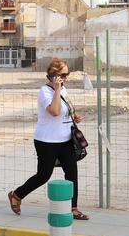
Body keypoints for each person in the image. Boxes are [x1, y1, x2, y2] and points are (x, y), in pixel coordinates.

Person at [8, 58, 89, 220]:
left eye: (68, 74)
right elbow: (54, 111)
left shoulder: (64, 90)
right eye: (64, 75)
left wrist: (74, 115)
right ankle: (16, 195)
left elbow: (66, 109)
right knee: (43, 175)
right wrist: (57, 89)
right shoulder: (45, 92)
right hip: (47, 141)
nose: (67, 78)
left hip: (66, 140)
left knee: (72, 173)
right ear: (54, 75)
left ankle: (73, 208)